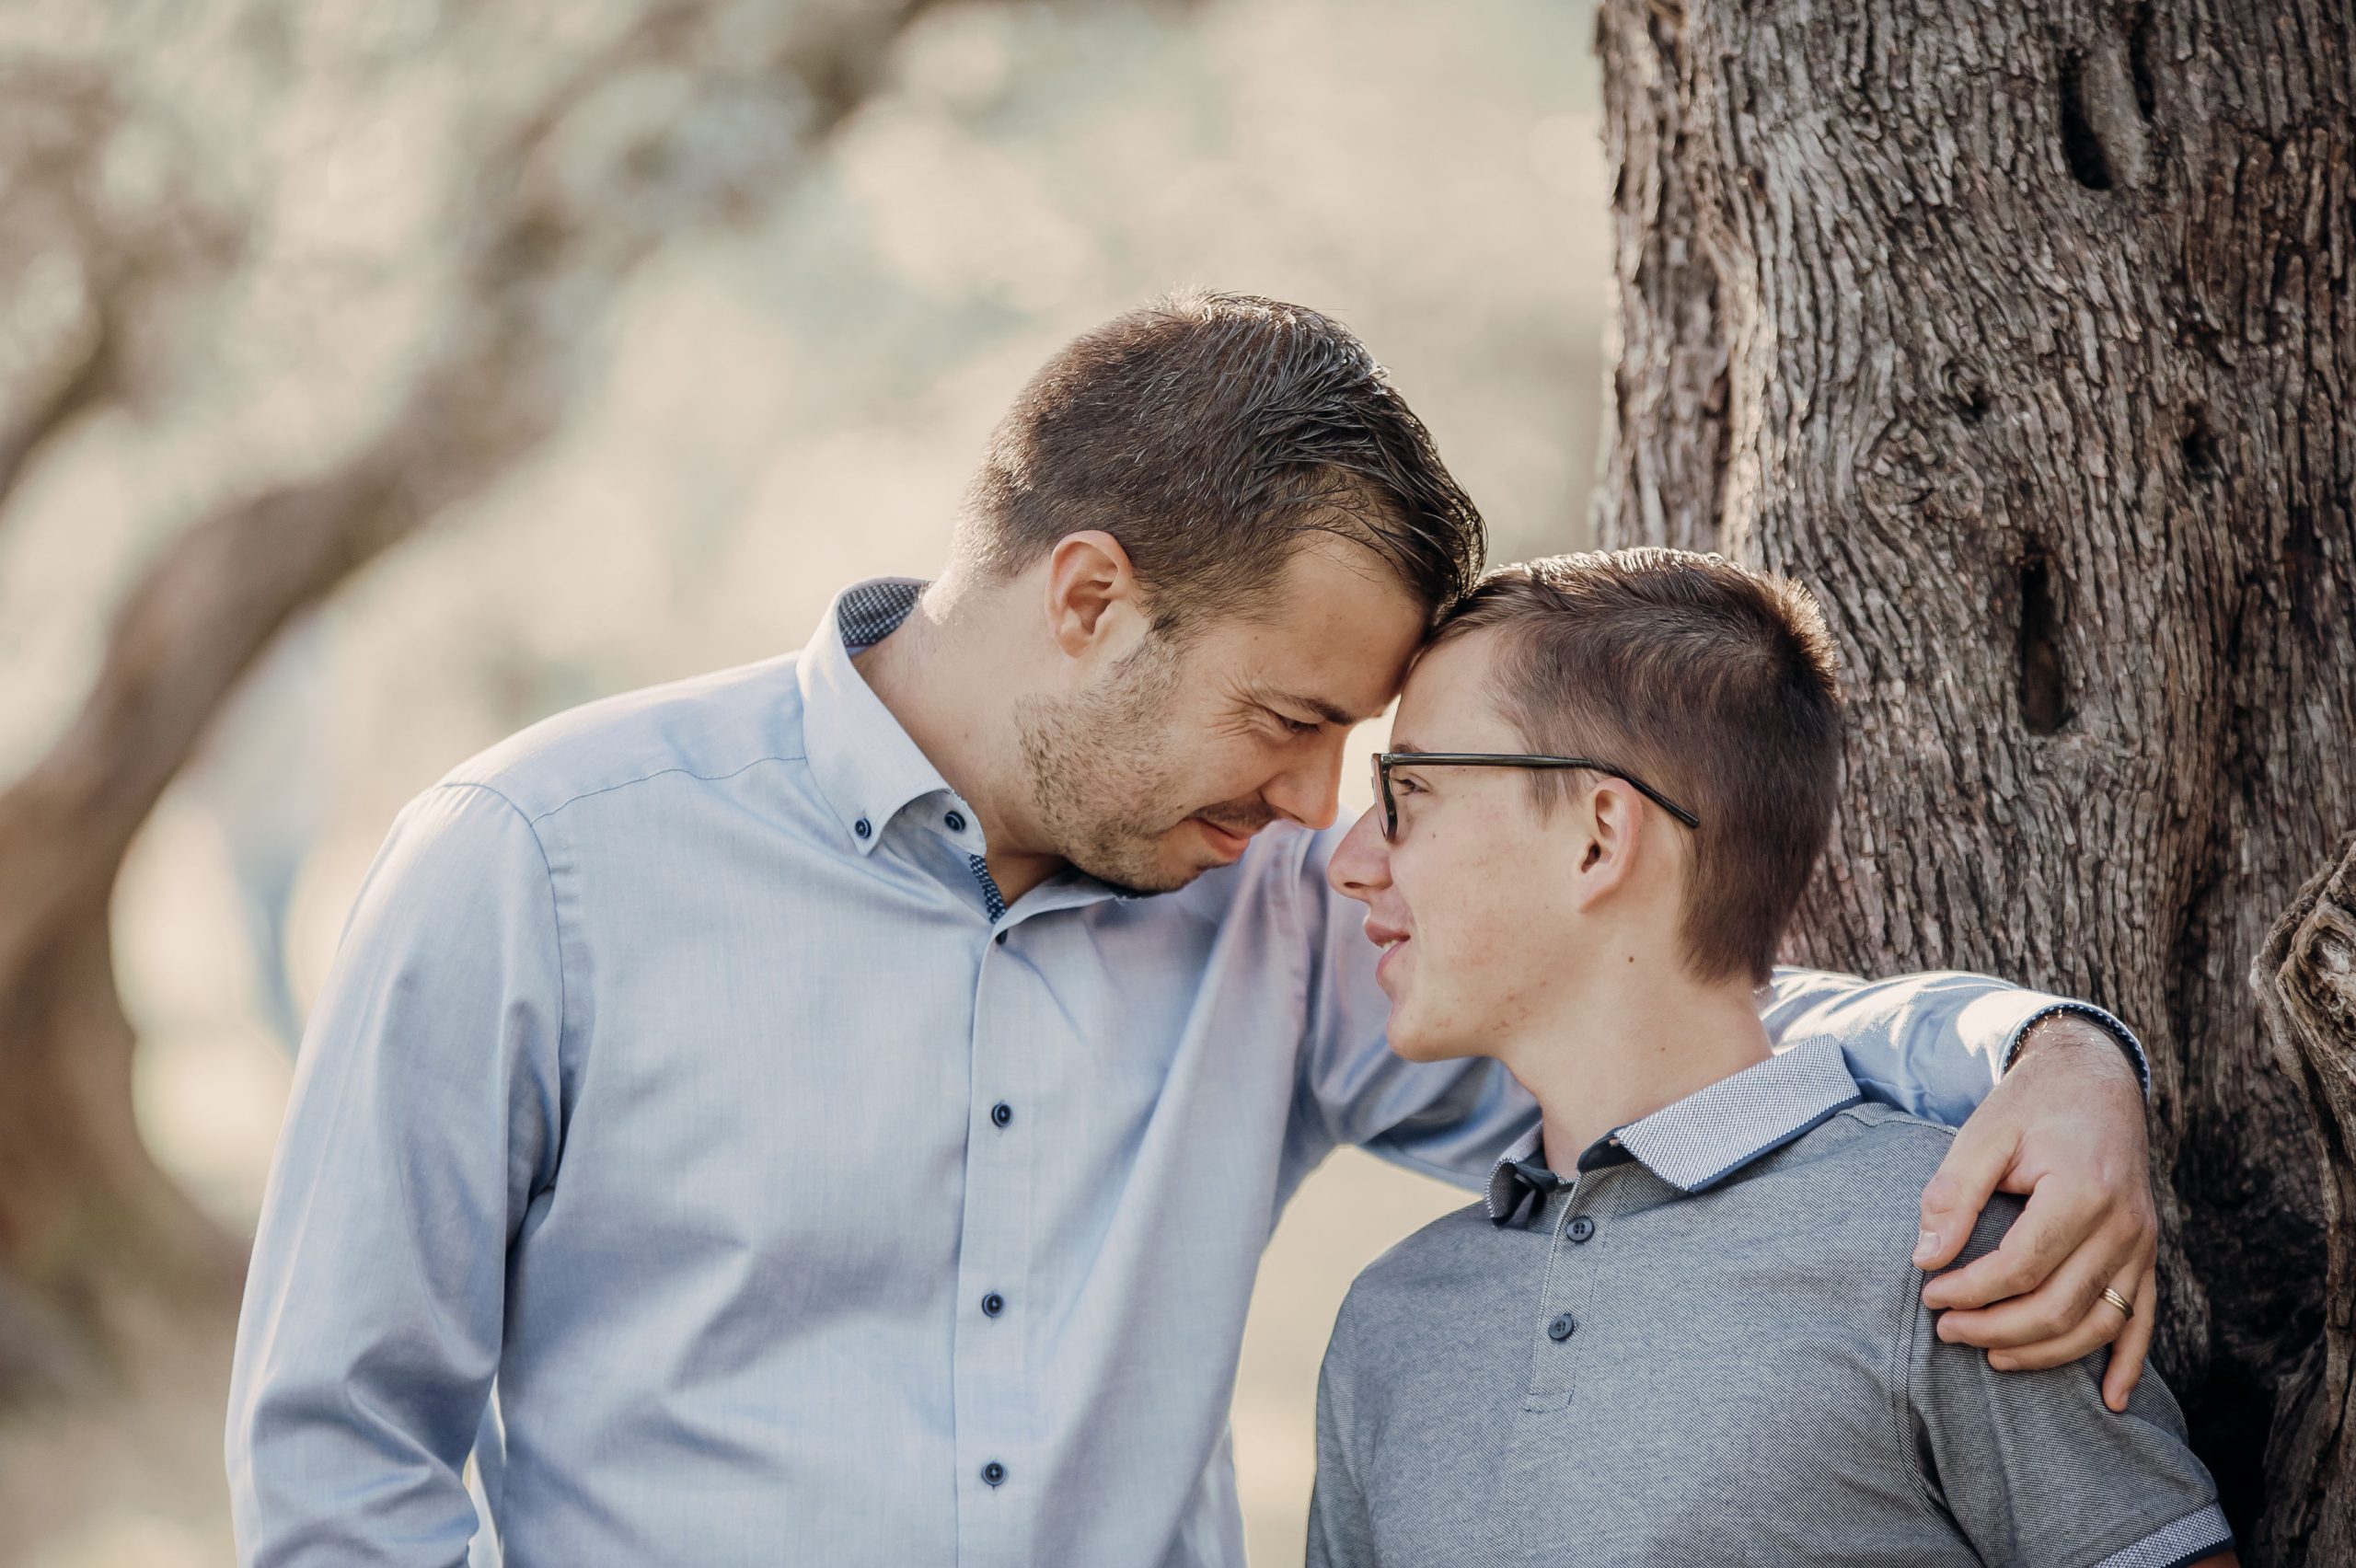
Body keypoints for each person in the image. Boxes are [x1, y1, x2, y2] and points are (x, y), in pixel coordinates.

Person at [227, 293, 2158, 1568]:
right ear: (1086, 596)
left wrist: (2037, 1055)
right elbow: (340, 1463)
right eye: (1290, 719)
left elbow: (1658, 1033)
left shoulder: (1257, 906)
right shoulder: (532, 864)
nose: (1318, 812)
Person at [1311, 549, 2231, 1567]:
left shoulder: (1956, 1257)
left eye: (1408, 791)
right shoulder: (1388, 1326)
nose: (1350, 861)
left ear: (1596, 837)